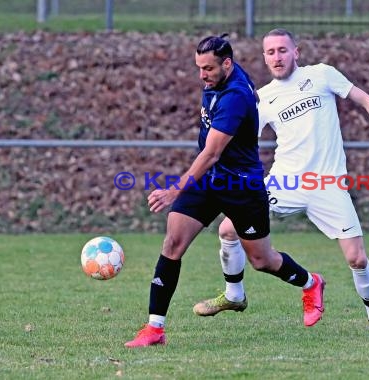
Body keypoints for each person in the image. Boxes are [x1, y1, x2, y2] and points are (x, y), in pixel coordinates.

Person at [193, 28, 369, 332]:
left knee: (357, 259)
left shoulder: (322, 75)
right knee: (229, 229)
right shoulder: (262, 98)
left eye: (283, 50)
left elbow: (368, 100)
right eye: (270, 52)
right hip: (285, 182)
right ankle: (234, 294)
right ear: (264, 58)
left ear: (296, 51)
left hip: (328, 185)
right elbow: (240, 142)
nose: (277, 57)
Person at [125, 35, 325, 348]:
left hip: (240, 186)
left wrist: (175, 189)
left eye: (208, 68)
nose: (202, 75)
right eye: (199, 67)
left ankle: (311, 283)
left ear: (227, 64)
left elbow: (212, 152)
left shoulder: (234, 97)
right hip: (208, 180)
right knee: (173, 242)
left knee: (262, 260)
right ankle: (155, 329)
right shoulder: (223, 74)